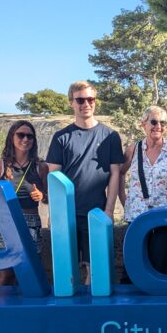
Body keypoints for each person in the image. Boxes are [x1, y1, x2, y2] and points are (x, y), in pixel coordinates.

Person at [46, 80, 124, 283]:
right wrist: (54, 214)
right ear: (71, 102)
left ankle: (92, 305)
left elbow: (115, 174)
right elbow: (54, 178)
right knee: (67, 271)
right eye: (80, 100)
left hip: (96, 213)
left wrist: (109, 210)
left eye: (90, 99)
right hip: (67, 214)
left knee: (95, 270)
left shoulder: (110, 136)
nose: (86, 104)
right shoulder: (61, 137)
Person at [120, 106, 167, 274]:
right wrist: (123, 199)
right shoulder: (133, 150)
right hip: (137, 215)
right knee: (133, 266)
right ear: (144, 124)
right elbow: (120, 173)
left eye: (163, 123)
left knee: (158, 266)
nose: (158, 126)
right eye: (154, 122)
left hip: (165, 216)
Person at [0, 120, 47, 285]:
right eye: (21, 135)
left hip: (31, 222)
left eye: (30, 136)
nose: (25, 139)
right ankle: (2, 302)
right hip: (5, 222)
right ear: (12, 137)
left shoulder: (41, 167)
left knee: (31, 271)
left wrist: (41, 195)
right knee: (5, 274)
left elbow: (48, 197)